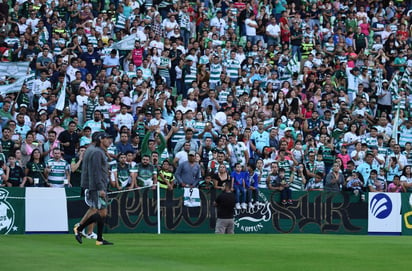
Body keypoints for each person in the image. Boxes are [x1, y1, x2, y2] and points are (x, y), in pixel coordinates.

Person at [74, 131, 113, 245]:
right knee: (101, 211)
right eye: (106, 138)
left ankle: (98, 239)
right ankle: (80, 228)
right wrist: (100, 188)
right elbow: (95, 171)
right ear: (101, 139)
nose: (109, 141)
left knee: (100, 211)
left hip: (93, 185)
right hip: (95, 186)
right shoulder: (97, 152)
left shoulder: (94, 150)